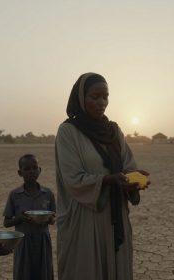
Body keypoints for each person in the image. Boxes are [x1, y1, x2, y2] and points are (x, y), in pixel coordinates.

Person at [55, 72, 150, 280]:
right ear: (81, 98)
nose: (101, 102)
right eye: (94, 97)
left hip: (116, 216)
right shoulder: (68, 132)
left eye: (105, 97)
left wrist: (133, 180)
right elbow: (73, 179)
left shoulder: (114, 131)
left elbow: (127, 165)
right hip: (85, 218)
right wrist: (108, 180)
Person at [3, 154, 56, 280]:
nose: (31, 171)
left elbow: (53, 219)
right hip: (23, 241)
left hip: (43, 239)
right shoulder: (15, 195)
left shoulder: (47, 194)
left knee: (44, 271)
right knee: (24, 272)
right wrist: (20, 218)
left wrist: (48, 219)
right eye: (27, 169)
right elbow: (6, 222)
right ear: (20, 172)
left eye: (34, 167)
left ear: (40, 170)